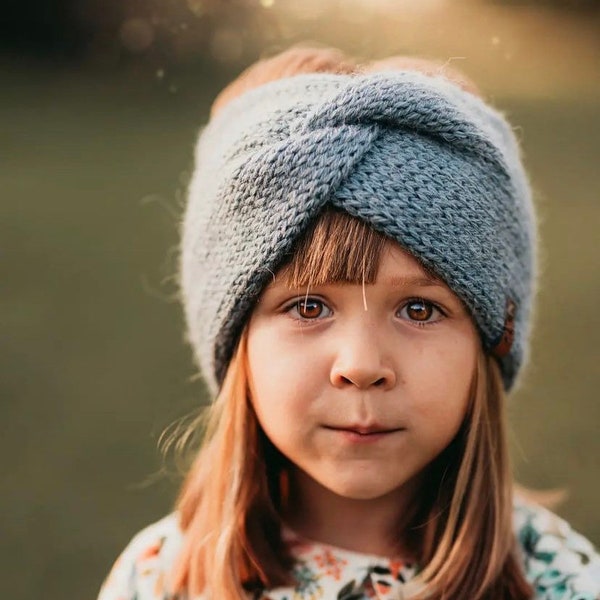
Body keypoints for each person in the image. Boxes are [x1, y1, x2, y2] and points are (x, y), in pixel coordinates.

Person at [97, 46, 600, 600]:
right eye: (309, 307)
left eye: (420, 309)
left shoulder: (558, 580)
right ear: (235, 337)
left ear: (491, 340)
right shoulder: (163, 578)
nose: (361, 366)